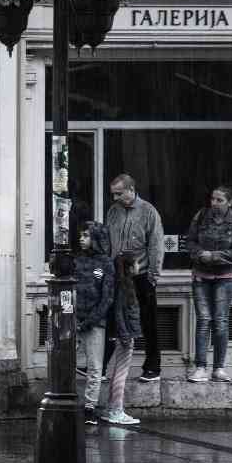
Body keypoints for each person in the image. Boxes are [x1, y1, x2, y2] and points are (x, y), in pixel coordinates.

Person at [105, 173, 164, 383]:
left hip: (141, 276)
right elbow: (107, 241)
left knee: (148, 321)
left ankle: (153, 367)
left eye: (119, 193)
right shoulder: (113, 211)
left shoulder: (148, 212)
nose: (115, 198)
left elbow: (156, 245)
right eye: (113, 194)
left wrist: (153, 276)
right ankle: (102, 366)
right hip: (116, 275)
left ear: (131, 189)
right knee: (112, 319)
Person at [186, 186, 232, 383]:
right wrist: (198, 254)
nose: (214, 203)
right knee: (204, 320)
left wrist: (213, 256)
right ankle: (200, 367)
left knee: (220, 322)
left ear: (230, 202)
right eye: (213, 199)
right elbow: (190, 242)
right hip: (201, 277)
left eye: (220, 200)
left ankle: (219, 368)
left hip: (225, 278)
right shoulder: (201, 216)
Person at [74, 222, 115, 425]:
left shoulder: (106, 263)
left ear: (96, 239)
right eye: (81, 235)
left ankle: (90, 406)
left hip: (94, 322)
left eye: (86, 236)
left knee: (95, 366)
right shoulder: (77, 261)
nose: (81, 239)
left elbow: (107, 298)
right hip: (73, 319)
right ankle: (70, 401)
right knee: (67, 361)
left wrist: (90, 321)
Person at [102, 251, 143, 425]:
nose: (139, 266)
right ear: (129, 267)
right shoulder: (124, 287)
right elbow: (119, 313)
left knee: (118, 371)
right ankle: (116, 410)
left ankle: (111, 408)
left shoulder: (123, 284)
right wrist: (125, 335)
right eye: (137, 263)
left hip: (123, 333)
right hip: (125, 334)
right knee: (121, 373)